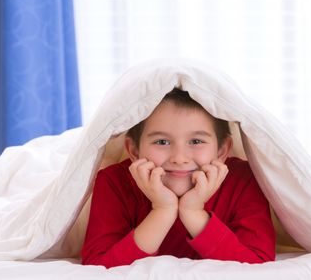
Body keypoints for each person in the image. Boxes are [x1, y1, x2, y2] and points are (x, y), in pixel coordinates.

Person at [81, 88, 276, 268]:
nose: (179, 158)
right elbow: (98, 267)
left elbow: (257, 265)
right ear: (133, 150)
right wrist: (162, 210)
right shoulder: (114, 182)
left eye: (196, 141)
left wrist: (193, 211)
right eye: (162, 142)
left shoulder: (244, 179)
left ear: (222, 150)